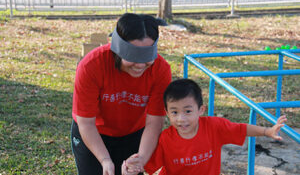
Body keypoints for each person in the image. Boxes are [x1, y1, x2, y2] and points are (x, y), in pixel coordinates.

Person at [71, 13, 172, 175]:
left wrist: (141, 159)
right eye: (133, 56)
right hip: (94, 132)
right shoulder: (91, 65)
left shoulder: (160, 70)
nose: (140, 65)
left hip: (134, 133)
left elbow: (154, 121)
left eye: (146, 56)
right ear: (118, 49)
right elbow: (86, 123)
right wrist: (105, 160)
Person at [122, 78, 287, 175]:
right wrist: (132, 167)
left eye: (187, 111)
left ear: (201, 109)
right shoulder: (166, 138)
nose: (181, 119)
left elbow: (241, 129)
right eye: (174, 112)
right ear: (166, 113)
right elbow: (149, 166)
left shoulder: (214, 127)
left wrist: (267, 131)